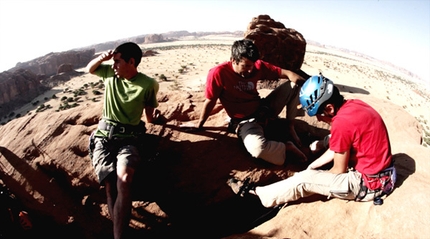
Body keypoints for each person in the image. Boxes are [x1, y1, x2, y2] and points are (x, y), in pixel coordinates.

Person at [228, 74, 396, 207]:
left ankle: (259, 194)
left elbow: (339, 170)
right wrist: (312, 166)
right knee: (315, 162)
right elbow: (338, 145)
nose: (318, 119)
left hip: (369, 185)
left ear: (329, 108)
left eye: (317, 113)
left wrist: (311, 176)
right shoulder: (354, 105)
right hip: (385, 175)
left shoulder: (342, 122)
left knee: (302, 181)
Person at [86, 42, 159, 239]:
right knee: (110, 186)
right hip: (104, 138)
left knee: (124, 180)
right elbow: (89, 69)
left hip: (129, 139)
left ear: (132, 61)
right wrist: (103, 58)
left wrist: (155, 120)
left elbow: (149, 114)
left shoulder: (148, 84)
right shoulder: (110, 74)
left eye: (117, 61)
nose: (113, 65)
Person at [195, 39, 307, 165]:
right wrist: (200, 125)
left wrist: (308, 87)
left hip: (264, 108)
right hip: (245, 121)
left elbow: (287, 73)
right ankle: (287, 147)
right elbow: (210, 100)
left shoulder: (256, 66)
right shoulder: (218, 73)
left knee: (294, 85)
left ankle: (290, 127)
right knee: (258, 150)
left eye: (252, 65)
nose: (250, 70)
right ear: (233, 60)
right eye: (246, 66)